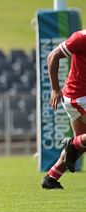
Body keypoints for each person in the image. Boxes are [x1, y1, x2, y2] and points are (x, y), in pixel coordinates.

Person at [41, 30, 86, 189]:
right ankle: (72, 144)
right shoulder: (81, 37)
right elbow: (52, 56)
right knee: (77, 144)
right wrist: (54, 89)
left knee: (82, 144)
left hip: (77, 97)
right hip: (79, 97)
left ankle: (51, 178)